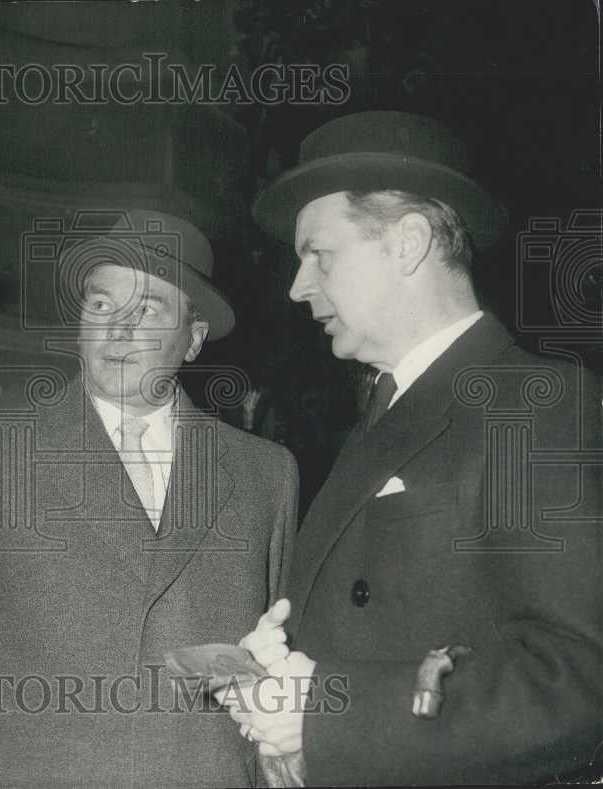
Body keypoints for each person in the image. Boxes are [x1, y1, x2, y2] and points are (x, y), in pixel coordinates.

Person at [222, 111, 603, 784]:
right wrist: (275, 680)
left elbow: (578, 681)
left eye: (321, 254)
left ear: (408, 243)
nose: (297, 285)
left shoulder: (530, 403)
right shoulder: (376, 417)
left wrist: (326, 712)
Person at [0, 209, 299, 786]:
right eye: (100, 305)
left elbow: (270, 651)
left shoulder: (265, 474)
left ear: (194, 339)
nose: (117, 330)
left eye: (147, 309)